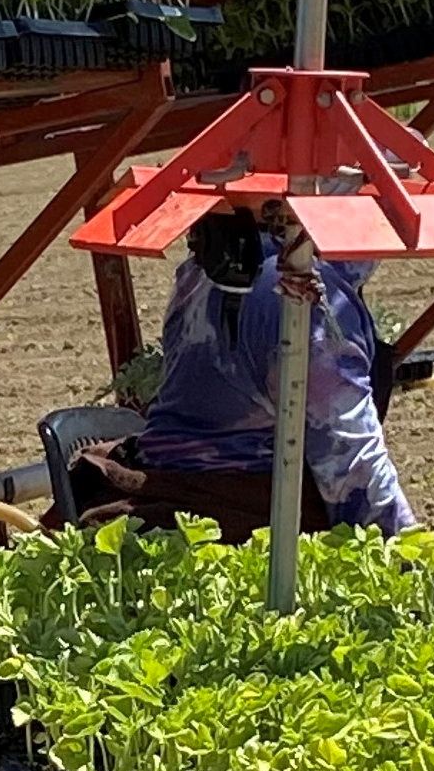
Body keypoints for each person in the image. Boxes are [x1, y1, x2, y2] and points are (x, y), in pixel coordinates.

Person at [80, 200, 416, 544]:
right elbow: (352, 468)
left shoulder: (209, 267)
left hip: (174, 492)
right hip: (240, 522)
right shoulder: (302, 295)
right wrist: (419, 566)